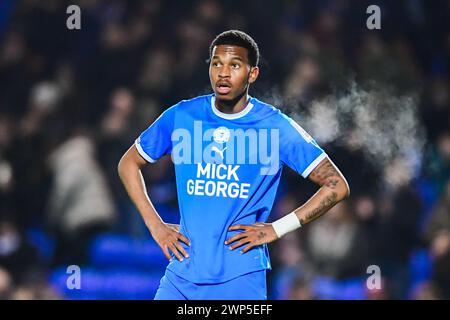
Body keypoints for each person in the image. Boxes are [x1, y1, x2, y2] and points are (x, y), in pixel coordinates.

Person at [118, 30, 350, 300]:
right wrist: (154, 224)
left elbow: (336, 185)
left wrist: (277, 228)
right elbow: (128, 163)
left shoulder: (274, 126)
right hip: (181, 273)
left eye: (234, 65)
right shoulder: (182, 115)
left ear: (252, 74)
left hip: (240, 279)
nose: (223, 73)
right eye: (216, 63)